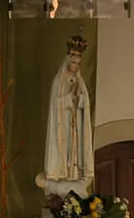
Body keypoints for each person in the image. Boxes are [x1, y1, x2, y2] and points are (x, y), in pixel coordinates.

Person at [36, 32, 95, 199]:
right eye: (73, 61)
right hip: (63, 128)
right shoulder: (59, 81)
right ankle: (61, 177)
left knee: (76, 154)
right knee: (64, 154)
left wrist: (80, 98)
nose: (75, 65)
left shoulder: (79, 81)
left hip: (76, 128)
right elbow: (56, 105)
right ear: (68, 60)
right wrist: (71, 98)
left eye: (78, 62)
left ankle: (74, 176)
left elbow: (85, 105)